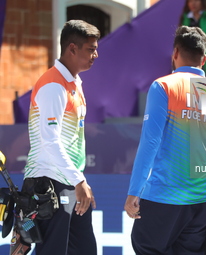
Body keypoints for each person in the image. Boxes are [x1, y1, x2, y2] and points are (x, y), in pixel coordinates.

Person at [124, 26, 206, 255]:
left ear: (175, 53)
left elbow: (150, 142)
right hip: (204, 201)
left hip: (164, 197)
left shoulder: (163, 86)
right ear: (204, 59)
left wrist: (135, 190)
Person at [22, 20, 100, 255]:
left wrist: (78, 180)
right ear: (72, 49)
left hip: (68, 181)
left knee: (86, 251)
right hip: (49, 184)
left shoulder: (74, 82)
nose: (96, 54)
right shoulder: (53, 85)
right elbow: (50, 141)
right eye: (90, 49)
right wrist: (79, 181)